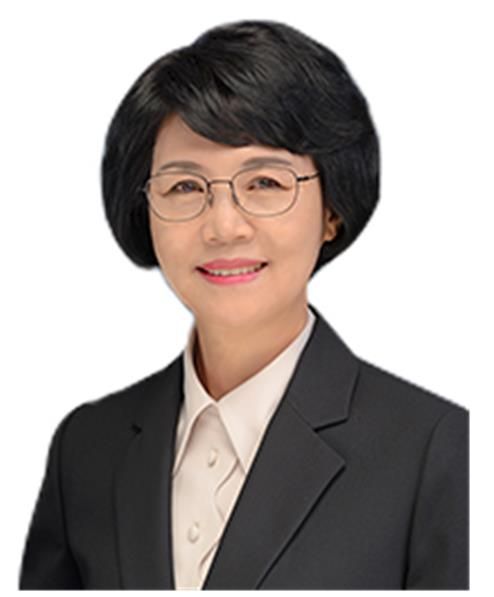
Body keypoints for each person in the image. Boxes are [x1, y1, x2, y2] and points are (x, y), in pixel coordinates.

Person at [18, 19, 469, 590]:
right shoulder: (87, 447)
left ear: (332, 210)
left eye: (265, 183)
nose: (224, 226)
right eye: (185, 187)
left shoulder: (438, 450)